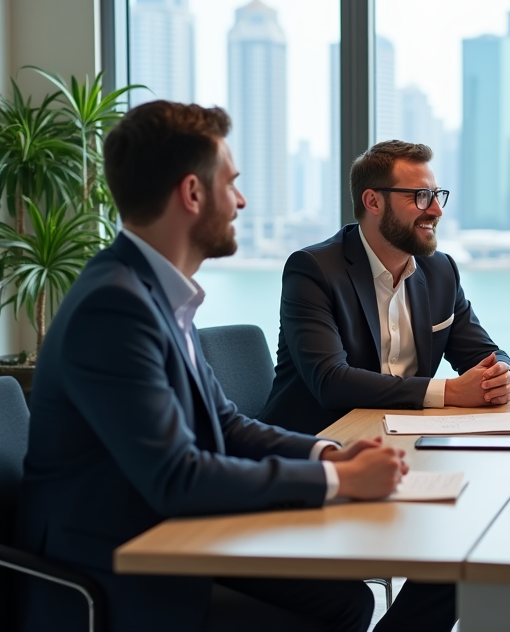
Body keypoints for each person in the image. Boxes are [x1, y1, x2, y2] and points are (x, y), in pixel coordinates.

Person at [15, 101, 412, 632]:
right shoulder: (114, 307)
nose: (241, 200)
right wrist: (334, 481)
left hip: (176, 530)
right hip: (115, 561)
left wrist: (330, 454)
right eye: (232, 183)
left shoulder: (155, 293)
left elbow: (225, 425)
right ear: (193, 193)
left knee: (345, 599)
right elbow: (178, 476)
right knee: (340, 603)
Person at [259, 139, 510, 632]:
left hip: (407, 456)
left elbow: (484, 350)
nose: (436, 209)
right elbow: (330, 382)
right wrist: (450, 392)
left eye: (438, 194)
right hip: (320, 458)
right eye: (419, 197)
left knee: (477, 542)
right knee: (458, 551)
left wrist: (503, 377)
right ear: (373, 201)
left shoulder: (439, 270)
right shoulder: (315, 269)